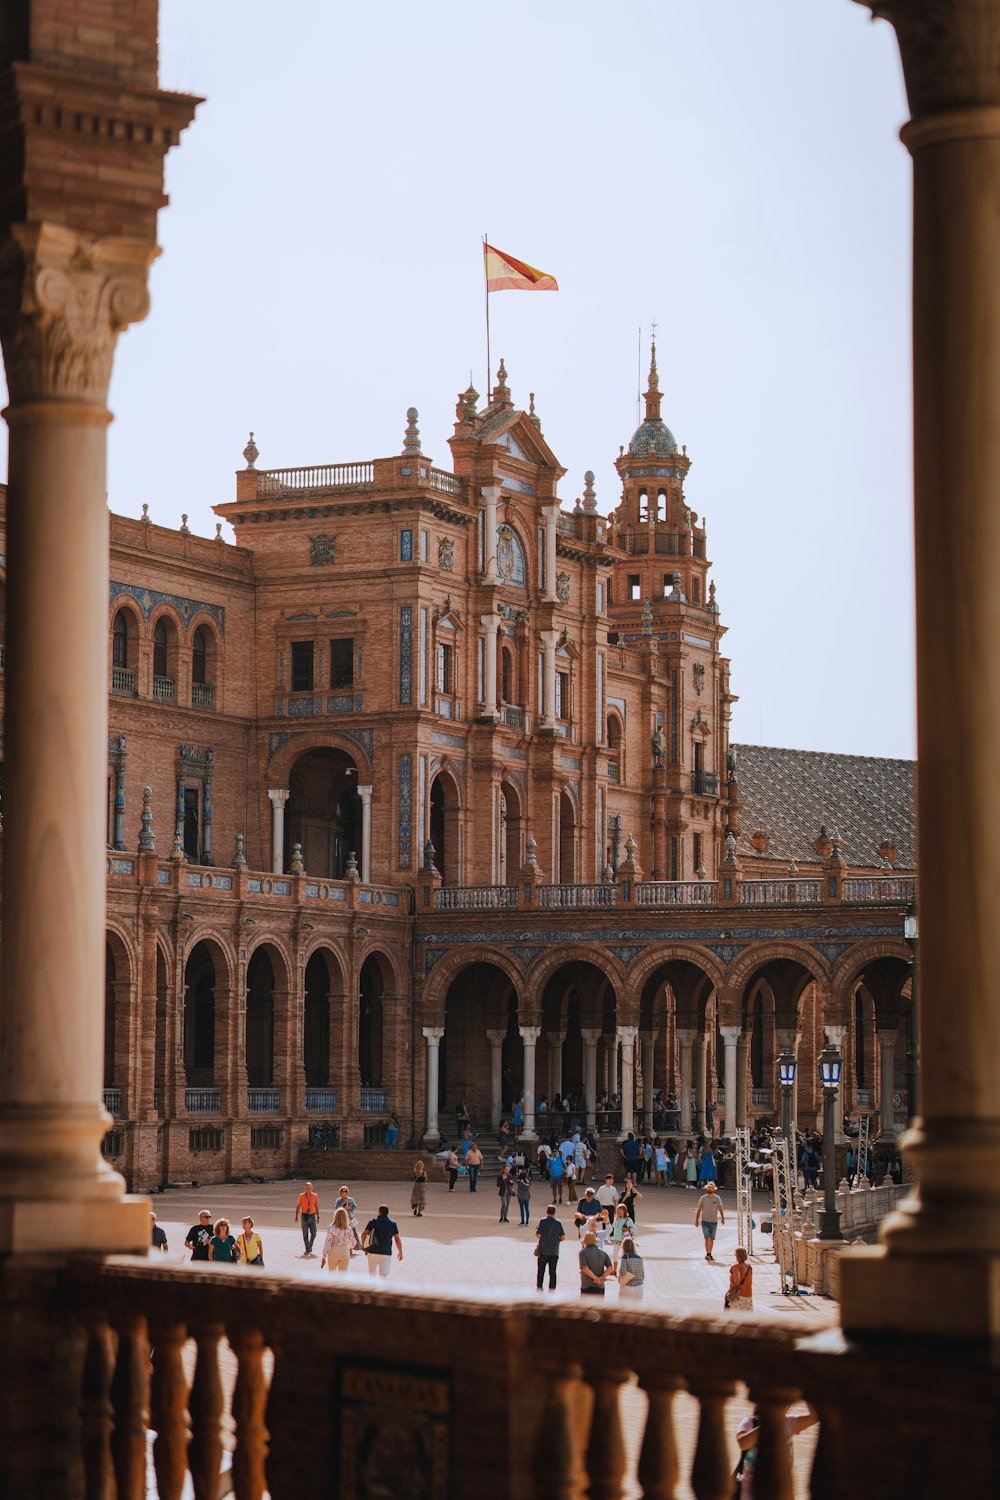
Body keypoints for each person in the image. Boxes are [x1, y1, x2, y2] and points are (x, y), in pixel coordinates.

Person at [735, 1406, 819, 1497]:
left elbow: (814, 1417)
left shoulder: (788, 1422)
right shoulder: (749, 1422)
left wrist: (806, 1394)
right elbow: (743, 1443)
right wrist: (769, 1423)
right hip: (751, 1492)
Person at [361, 1204, 403, 1278]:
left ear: (379, 1212)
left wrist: (365, 1247)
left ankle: (371, 1289)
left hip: (372, 1251)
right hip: (386, 1252)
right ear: (387, 1213)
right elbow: (397, 1239)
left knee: (372, 1274)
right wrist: (400, 1252)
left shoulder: (373, 1221)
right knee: (383, 1276)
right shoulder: (392, 1223)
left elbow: (363, 1234)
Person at [535, 1204, 565, 1291]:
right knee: (552, 1272)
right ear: (554, 1213)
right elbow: (563, 1237)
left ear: (547, 1212)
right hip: (554, 1252)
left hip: (543, 1251)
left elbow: (538, 1235)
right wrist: (556, 1241)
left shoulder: (542, 1221)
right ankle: (552, 1288)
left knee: (541, 1271)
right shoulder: (558, 1223)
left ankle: (539, 1287)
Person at [695, 1181, 725, 1261]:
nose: (710, 1189)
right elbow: (699, 1209)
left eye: (711, 1188)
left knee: (711, 1238)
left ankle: (709, 1253)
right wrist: (696, 1220)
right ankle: (708, 1253)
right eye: (709, 1188)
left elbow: (720, 1208)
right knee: (707, 1237)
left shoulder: (717, 1198)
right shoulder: (703, 1198)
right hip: (705, 1221)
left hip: (714, 1221)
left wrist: (722, 1218)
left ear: (714, 1189)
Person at [320, 1207, 355, 1274]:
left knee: (332, 1274)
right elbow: (353, 1242)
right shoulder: (349, 1229)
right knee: (343, 1275)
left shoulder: (331, 1227)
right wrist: (348, 1247)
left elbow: (327, 1242)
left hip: (334, 1250)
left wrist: (324, 1256)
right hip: (344, 1250)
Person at [579, 1230, 613, 1296]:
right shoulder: (603, 1252)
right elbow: (610, 1268)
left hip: (587, 1285)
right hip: (600, 1286)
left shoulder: (583, 1252)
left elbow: (585, 1268)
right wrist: (601, 1278)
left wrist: (595, 1278)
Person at [609, 1202, 638, 1273]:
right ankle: (614, 1270)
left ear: (624, 1211)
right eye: (618, 1211)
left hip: (624, 1241)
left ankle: (625, 1271)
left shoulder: (628, 1220)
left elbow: (635, 1229)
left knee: (624, 1256)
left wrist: (627, 1229)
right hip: (617, 1240)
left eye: (621, 1210)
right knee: (615, 1255)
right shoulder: (617, 1219)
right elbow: (614, 1226)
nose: (619, 1212)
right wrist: (617, 1219)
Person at [295, 1180, 320, 1257]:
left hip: (312, 1216)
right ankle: (307, 1248)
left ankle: (310, 1246)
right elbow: (298, 1206)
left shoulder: (315, 1195)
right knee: (305, 1234)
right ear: (304, 1188)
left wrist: (318, 1216)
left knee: (314, 1233)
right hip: (304, 1216)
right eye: (306, 1188)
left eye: (309, 1188)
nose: (308, 1189)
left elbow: (316, 1206)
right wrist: (296, 1215)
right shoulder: (301, 1196)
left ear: (312, 1188)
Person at [336, 1184, 363, 1250]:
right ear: (340, 1192)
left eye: (345, 1191)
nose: (344, 1193)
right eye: (342, 1191)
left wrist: (349, 1208)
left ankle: (355, 1246)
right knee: (343, 1232)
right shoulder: (338, 1200)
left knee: (353, 1233)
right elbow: (337, 1208)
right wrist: (343, 1204)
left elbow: (355, 1207)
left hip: (350, 1218)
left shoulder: (350, 1200)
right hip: (341, 1218)